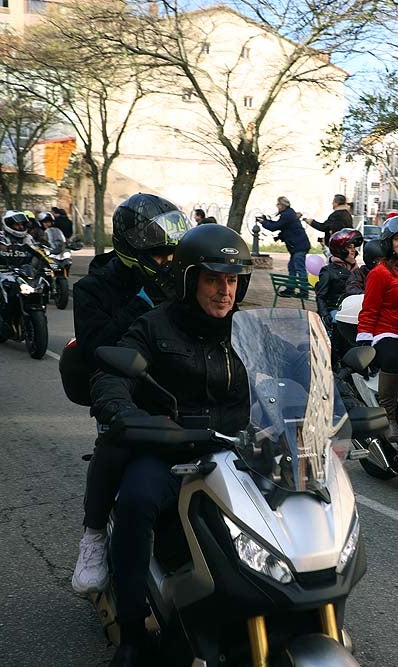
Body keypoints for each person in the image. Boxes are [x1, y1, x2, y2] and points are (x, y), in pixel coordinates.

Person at [90, 224, 252, 667]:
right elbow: (111, 374)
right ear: (188, 279)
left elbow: (299, 371)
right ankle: (130, 630)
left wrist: (335, 402)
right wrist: (123, 411)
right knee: (138, 503)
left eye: (233, 280)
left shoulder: (248, 331)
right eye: (213, 279)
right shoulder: (155, 324)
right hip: (171, 448)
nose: (224, 291)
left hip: (236, 450)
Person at [69, 194, 192, 597]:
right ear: (130, 249)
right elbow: (94, 349)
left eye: (173, 254)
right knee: (116, 442)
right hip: (120, 391)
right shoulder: (93, 289)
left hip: (174, 389)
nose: (168, 263)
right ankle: (92, 538)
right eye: (159, 256)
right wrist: (140, 303)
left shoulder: (177, 280)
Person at [356, 213, 398, 442]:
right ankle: (388, 417)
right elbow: (369, 309)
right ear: (389, 242)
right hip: (387, 333)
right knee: (396, 358)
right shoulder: (380, 273)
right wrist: (364, 343)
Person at [0, 210, 44, 314]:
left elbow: (37, 250)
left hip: (23, 271)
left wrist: (50, 262)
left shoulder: (27, 237)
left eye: (22, 224)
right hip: (0, 270)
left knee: (36, 290)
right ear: (8, 224)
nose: (21, 227)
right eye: (17, 225)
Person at [259, 196, 310, 297]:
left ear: (282, 205)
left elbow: (274, 227)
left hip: (299, 246)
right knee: (292, 268)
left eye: (278, 204)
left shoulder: (287, 215)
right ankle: (290, 289)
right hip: (297, 246)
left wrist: (263, 222)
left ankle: (304, 292)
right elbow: (280, 225)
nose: (277, 207)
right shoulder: (289, 213)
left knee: (299, 268)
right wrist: (265, 220)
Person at [315, 227, 363, 325]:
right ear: (340, 250)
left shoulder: (357, 270)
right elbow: (321, 296)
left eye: (354, 247)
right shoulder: (328, 271)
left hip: (353, 311)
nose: (353, 250)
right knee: (339, 322)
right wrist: (325, 315)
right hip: (336, 310)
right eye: (349, 247)